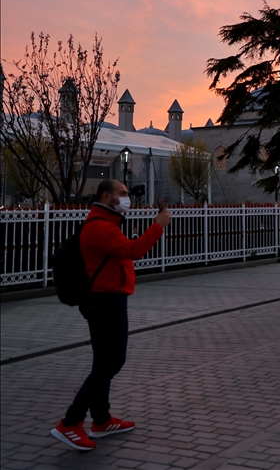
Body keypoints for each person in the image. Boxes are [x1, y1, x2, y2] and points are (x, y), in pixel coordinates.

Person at [51, 179, 171, 452]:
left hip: (105, 298)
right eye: (123, 194)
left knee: (102, 362)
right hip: (105, 301)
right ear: (106, 196)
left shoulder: (105, 222)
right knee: (112, 362)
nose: (128, 198)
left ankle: (101, 419)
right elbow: (133, 251)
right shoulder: (101, 227)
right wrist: (159, 226)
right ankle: (70, 422)